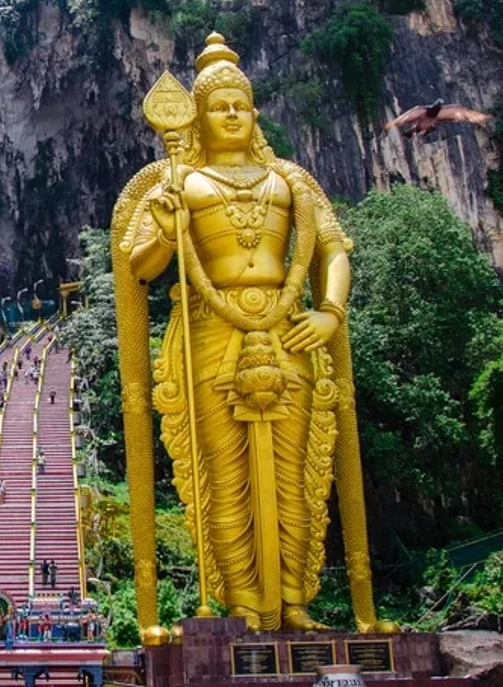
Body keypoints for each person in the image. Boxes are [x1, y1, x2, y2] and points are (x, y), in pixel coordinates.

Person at [116, 33, 393, 633]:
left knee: (296, 472)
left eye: (241, 104)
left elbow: (334, 249)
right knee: (224, 475)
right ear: (198, 116)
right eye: (220, 106)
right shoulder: (177, 182)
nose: (233, 114)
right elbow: (137, 266)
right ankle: (244, 604)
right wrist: (165, 231)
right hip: (212, 333)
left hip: (288, 325)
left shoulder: (289, 180)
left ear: (256, 112)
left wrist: (330, 312)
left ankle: (295, 601)